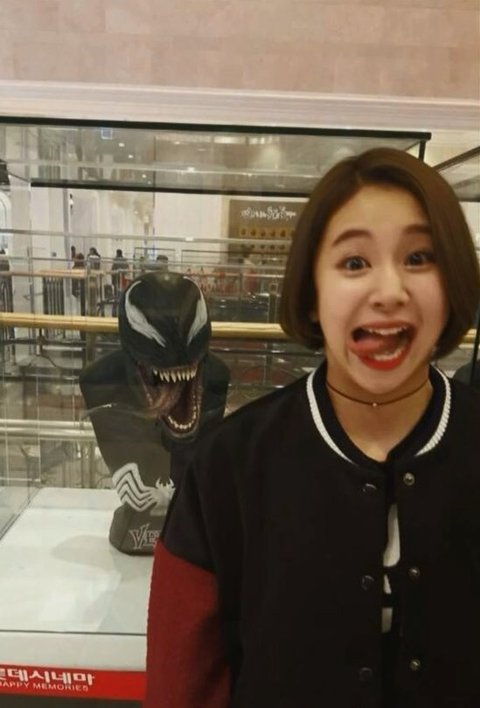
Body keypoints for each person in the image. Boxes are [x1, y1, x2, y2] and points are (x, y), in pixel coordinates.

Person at [144, 148, 480, 708]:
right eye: (354, 262)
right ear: (312, 292)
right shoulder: (227, 466)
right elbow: (181, 685)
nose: (389, 291)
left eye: (419, 257)